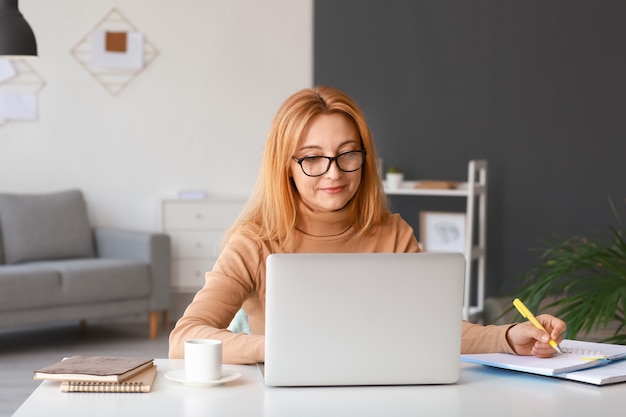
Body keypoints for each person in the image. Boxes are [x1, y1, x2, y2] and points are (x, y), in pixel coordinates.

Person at [169, 86, 566, 364]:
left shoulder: (393, 233)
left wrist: (510, 337)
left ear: (364, 157)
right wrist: (274, 347)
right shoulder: (255, 241)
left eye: (347, 154)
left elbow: (435, 328)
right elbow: (184, 339)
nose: (333, 173)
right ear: (285, 167)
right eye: (312, 158)